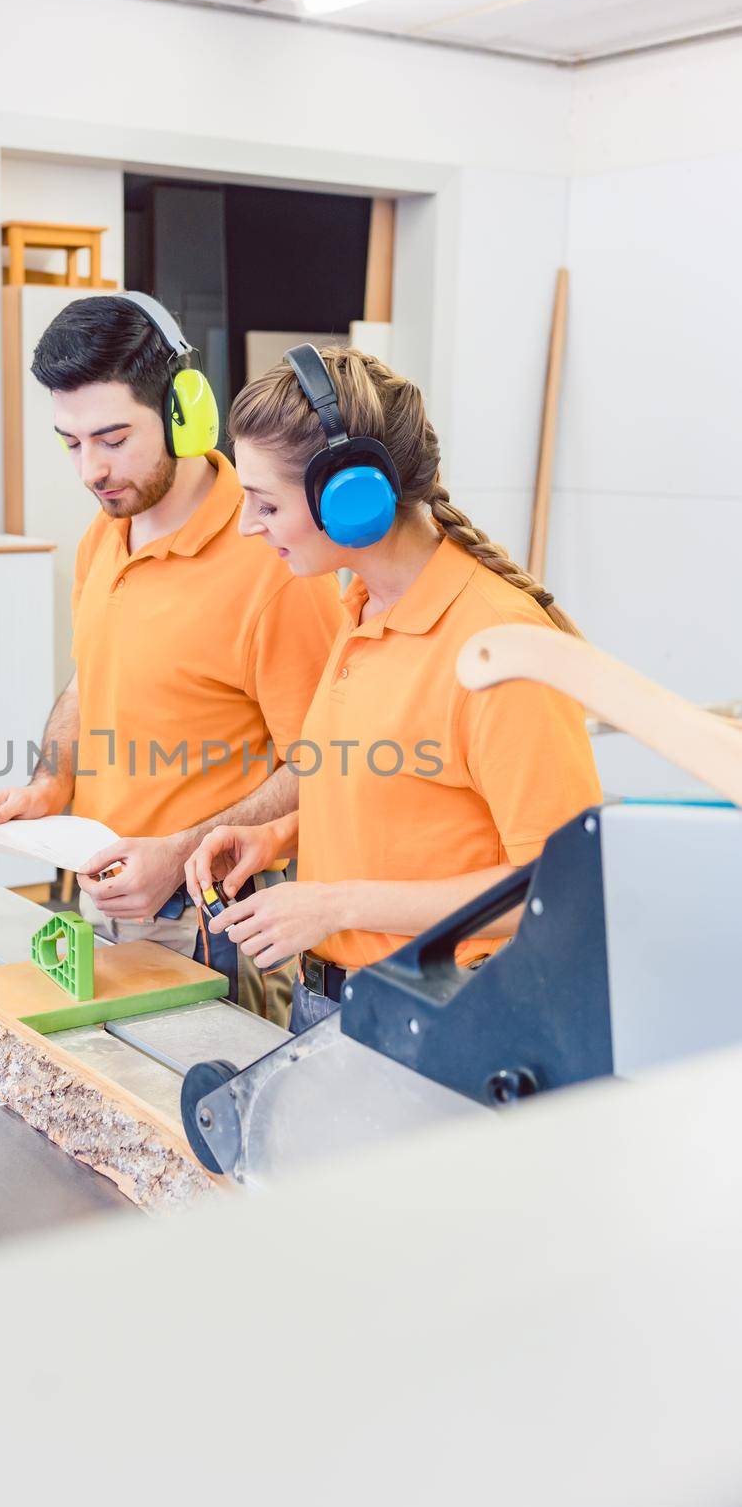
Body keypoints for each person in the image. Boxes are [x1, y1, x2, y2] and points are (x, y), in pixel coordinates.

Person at [184, 344, 602, 1034]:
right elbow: (410, 808)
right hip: (339, 1007)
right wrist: (282, 837)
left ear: (350, 499)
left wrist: (337, 904)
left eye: (264, 503)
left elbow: (559, 890)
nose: (246, 526)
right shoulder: (362, 607)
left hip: (441, 1022)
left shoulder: (494, 645)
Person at [0, 295, 341, 1017]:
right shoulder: (103, 537)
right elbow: (91, 678)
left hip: (216, 922)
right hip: (108, 901)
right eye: (71, 443)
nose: (90, 470)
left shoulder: (273, 562)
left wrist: (176, 854)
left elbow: (327, 762)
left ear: (183, 412)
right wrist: (50, 784)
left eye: (113, 438)